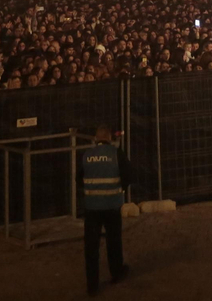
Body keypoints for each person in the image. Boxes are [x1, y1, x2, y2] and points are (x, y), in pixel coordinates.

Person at [76, 125, 130, 295]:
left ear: (95, 139)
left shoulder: (87, 155)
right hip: (112, 205)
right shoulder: (116, 154)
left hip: (92, 207)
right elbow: (128, 175)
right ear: (110, 138)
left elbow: (78, 178)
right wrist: (120, 189)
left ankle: (92, 286)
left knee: (91, 247)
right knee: (114, 241)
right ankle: (116, 273)